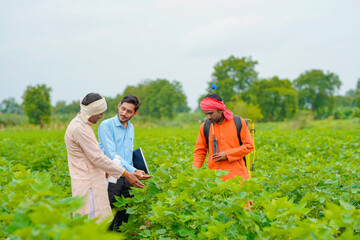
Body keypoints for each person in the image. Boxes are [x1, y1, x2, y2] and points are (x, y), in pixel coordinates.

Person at [64, 93, 147, 223]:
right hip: (89, 182)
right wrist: (127, 173)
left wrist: (133, 171)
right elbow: (99, 157)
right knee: (93, 222)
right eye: (99, 113)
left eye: (129, 111)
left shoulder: (85, 125)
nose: (101, 116)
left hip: (100, 178)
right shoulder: (80, 129)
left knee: (110, 219)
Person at [98, 94, 149, 231]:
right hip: (112, 177)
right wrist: (133, 170)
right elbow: (111, 155)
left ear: (135, 113)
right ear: (119, 105)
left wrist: (137, 170)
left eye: (129, 111)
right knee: (108, 218)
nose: (124, 113)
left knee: (124, 218)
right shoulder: (106, 126)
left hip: (128, 178)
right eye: (123, 109)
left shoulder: (130, 127)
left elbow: (127, 154)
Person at [193, 93, 254, 181]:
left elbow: (249, 146)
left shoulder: (238, 122)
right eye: (206, 114)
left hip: (238, 178)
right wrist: (195, 172)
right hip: (215, 179)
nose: (208, 117)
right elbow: (200, 151)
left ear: (220, 110)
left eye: (211, 113)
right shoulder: (205, 126)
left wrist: (227, 154)